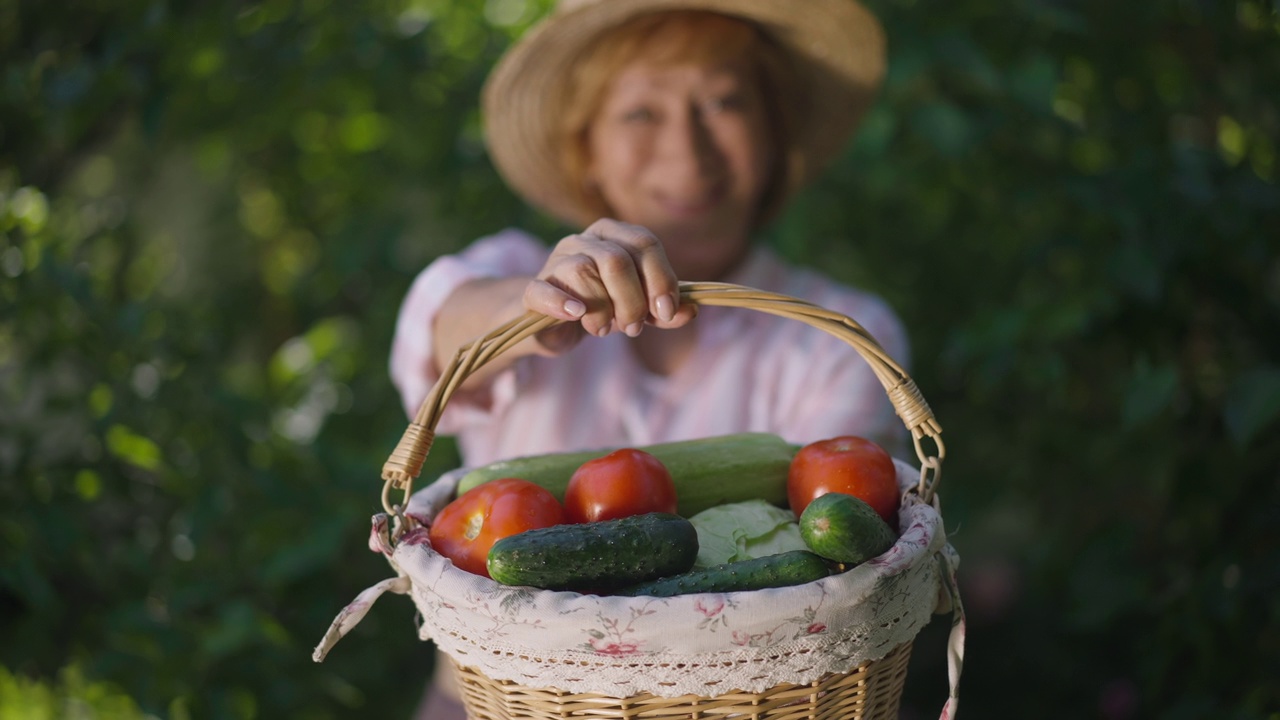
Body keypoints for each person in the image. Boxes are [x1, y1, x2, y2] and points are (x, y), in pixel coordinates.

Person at [388, 1, 906, 717]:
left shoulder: (841, 335)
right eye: (640, 113)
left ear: (774, 130)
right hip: (499, 701)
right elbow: (442, 326)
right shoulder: (520, 271)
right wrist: (534, 307)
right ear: (587, 147)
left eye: (724, 102)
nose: (687, 149)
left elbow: (840, 560)